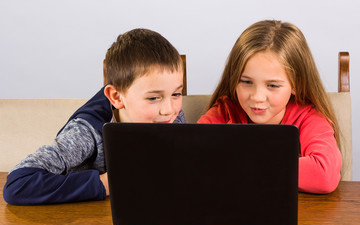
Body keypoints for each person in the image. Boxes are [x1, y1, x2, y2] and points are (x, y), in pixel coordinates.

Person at [3, 28, 186, 205]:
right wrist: (108, 183)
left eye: (176, 94)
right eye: (153, 98)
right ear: (116, 97)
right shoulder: (87, 133)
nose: (169, 109)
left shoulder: (170, 116)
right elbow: (17, 185)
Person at [198, 20, 342, 194]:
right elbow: (194, 161)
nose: (257, 97)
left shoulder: (309, 118)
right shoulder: (224, 111)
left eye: (272, 85)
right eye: (246, 82)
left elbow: (324, 174)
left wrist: (241, 163)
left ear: (296, 84)